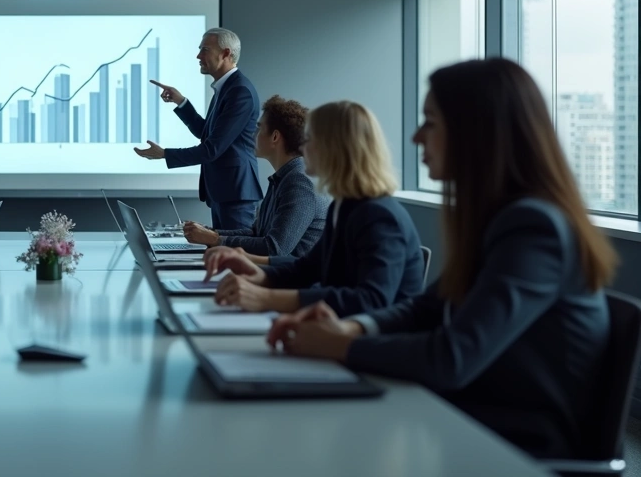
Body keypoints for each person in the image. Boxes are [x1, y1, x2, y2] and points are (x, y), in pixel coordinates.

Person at [264, 59, 618, 459]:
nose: (416, 137)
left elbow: (452, 357)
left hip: (511, 450)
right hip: (471, 422)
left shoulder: (533, 230)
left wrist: (339, 347)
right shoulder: (500, 219)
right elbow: (427, 308)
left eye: (430, 122)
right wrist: (354, 331)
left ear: (478, 132)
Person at [203, 100, 425, 316]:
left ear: (334, 148)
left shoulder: (378, 215)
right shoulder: (345, 205)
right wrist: (261, 276)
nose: (302, 147)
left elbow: (371, 300)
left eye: (309, 139)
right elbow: (307, 269)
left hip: (369, 346)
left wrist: (265, 297)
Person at [136, 27, 262, 230]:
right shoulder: (226, 88)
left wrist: (165, 154)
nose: (198, 55)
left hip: (236, 194)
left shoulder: (239, 91)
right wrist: (182, 102)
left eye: (205, 49)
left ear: (226, 53)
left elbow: (212, 148)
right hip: (225, 192)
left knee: (234, 256)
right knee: (224, 255)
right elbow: (207, 132)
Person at [182, 95, 328, 257]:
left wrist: (216, 239)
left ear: (275, 137)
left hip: (293, 281)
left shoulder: (299, 182)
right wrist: (209, 232)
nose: (253, 134)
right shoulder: (284, 178)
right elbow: (257, 233)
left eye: (259, 128)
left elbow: (275, 248)